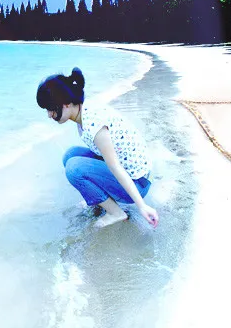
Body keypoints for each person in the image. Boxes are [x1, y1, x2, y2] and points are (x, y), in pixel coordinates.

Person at [36, 67, 159, 228]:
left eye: (51, 108)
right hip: (133, 172)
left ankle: (116, 212)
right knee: (70, 155)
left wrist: (142, 206)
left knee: (74, 168)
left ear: (66, 103)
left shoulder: (94, 125)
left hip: (138, 183)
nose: (49, 115)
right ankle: (100, 200)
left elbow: (115, 166)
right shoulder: (83, 110)